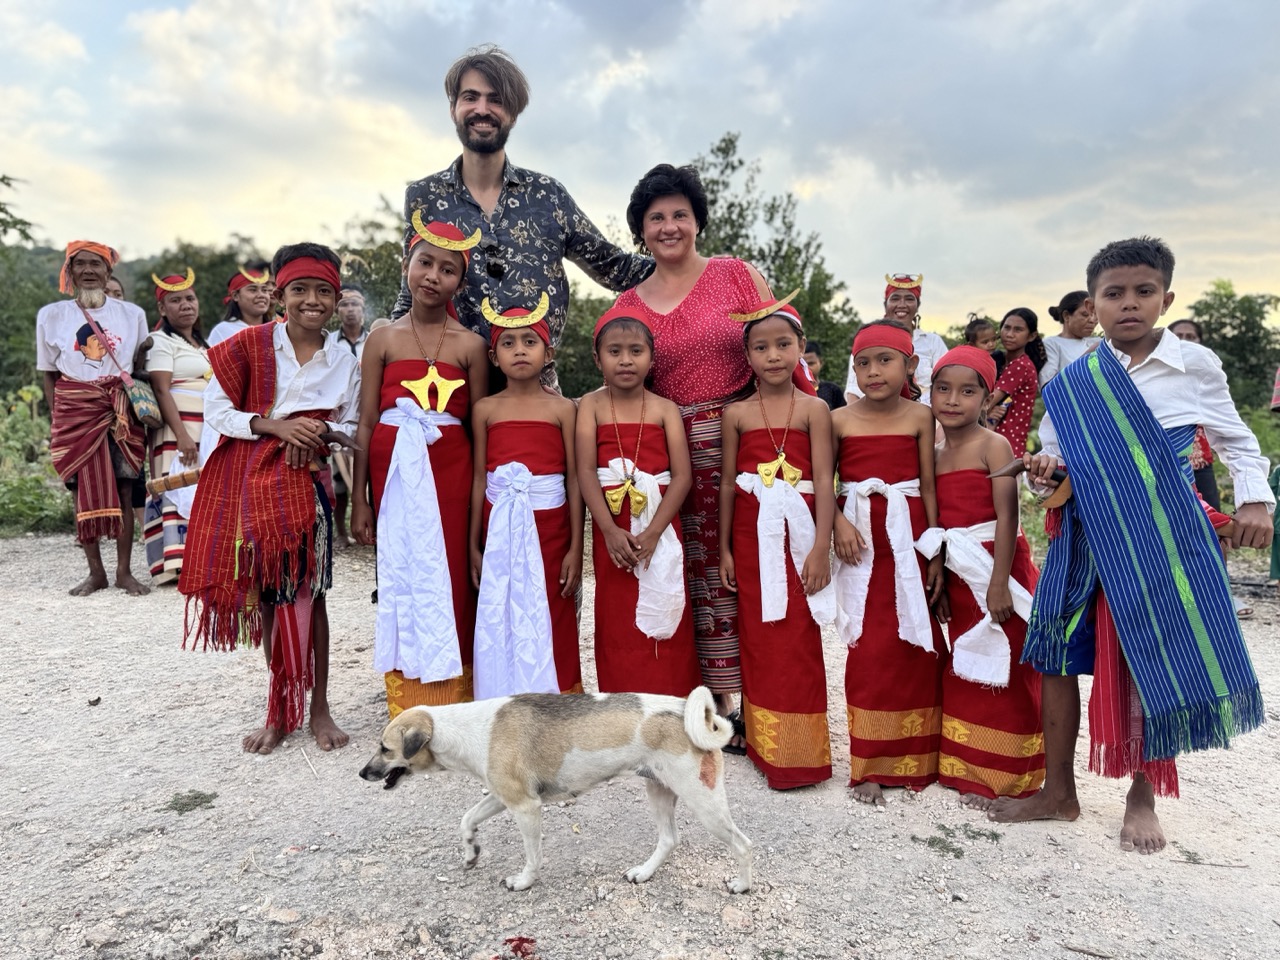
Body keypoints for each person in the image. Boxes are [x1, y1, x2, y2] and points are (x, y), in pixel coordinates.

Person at [989, 237, 1274, 854]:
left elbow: (1238, 442)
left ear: (1165, 298)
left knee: (1155, 651)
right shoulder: (1076, 377)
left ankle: (1142, 796)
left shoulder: (1195, 366)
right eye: (1113, 294)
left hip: (1159, 534)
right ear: (1092, 304)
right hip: (1087, 530)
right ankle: (1057, 791)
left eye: (1143, 292)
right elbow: (1059, 456)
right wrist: (1046, 471)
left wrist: (1255, 499)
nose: (1128, 304)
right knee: (1055, 651)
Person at [609, 163, 812, 746]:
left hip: (746, 445)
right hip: (668, 455)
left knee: (747, 564)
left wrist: (798, 428)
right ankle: (709, 704)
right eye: (656, 218)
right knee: (689, 572)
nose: (669, 226)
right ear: (640, 230)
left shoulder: (736, 275)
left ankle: (763, 705)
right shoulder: (628, 301)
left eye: (679, 214)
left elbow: (782, 349)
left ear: (697, 220)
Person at [180, 242, 360, 755]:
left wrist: (320, 432)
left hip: (309, 486)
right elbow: (218, 411)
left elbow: (349, 422)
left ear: (336, 296)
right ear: (280, 294)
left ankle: (319, 707)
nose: (311, 300)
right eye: (299, 289)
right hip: (252, 487)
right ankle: (280, 708)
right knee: (268, 595)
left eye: (323, 291)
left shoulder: (343, 358)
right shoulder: (247, 345)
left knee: (312, 595)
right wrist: (277, 427)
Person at [393, 44, 653, 387]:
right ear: (453, 107)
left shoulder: (547, 194)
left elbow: (616, 269)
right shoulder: (424, 196)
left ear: (513, 113)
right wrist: (385, 346)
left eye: (496, 100)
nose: (482, 109)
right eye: (471, 97)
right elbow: (410, 295)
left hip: (536, 393)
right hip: (446, 385)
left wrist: (700, 270)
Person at [351, 220, 489, 717]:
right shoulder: (382, 339)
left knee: (451, 573)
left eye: (448, 269)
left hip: (451, 473)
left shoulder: (470, 345)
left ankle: (455, 693)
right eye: (425, 262)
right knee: (403, 572)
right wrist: (360, 500)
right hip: (393, 477)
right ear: (407, 266)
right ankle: (410, 692)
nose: (433, 276)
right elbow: (367, 421)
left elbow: (478, 431)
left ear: (460, 281)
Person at [919, 346, 1044, 808]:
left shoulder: (994, 445)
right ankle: (965, 767)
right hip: (956, 567)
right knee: (967, 661)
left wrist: (996, 582)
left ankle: (1008, 773)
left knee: (1009, 661)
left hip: (997, 564)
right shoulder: (930, 453)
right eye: (944, 389)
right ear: (929, 393)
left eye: (968, 391)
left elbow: (1007, 517)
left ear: (987, 400)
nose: (953, 400)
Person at [719, 297, 835, 789]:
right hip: (749, 534)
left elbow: (827, 482)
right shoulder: (737, 413)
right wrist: (725, 548)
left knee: (797, 636)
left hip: (800, 535)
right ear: (747, 357)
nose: (773, 356)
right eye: (761, 347)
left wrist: (820, 548)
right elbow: (727, 483)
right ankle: (764, 742)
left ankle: (802, 750)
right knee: (758, 636)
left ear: (801, 349)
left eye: (783, 344)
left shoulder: (815, 409)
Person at [833, 321, 945, 804]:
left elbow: (930, 486)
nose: (873, 371)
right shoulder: (838, 419)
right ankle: (871, 763)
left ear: (911, 365)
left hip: (910, 536)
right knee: (870, 646)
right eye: (863, 362)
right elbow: (826, 481)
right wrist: (837, 525)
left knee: (914, 644)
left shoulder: (922, 417)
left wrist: (935, 549)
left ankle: (919, 757)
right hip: (860, 539)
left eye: (885, 360)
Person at [575, 306, 701, 695]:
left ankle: (671, 708)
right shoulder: (590, 406)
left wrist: (653, 532)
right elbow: (584, 472)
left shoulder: (665, 409)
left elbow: (682, 476)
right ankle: (620, 713)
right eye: (614, 351)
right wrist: (610, 531)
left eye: (636, 351)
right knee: (617, 619)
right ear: (598, 358)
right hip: (612, 528)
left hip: (659, 526)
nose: (626, 360)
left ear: (651, 357)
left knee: (666, 606)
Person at [469, 296, 583, 697]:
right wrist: (473, 545)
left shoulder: (564, 409)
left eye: (529, 342)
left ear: (548, 352)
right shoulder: (485, 409)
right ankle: (504, 698)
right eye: (508, 343)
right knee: (502, 608)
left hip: (550, 527)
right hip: (499, 528)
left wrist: (575, 548)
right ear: (493, 356)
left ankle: (560, 697)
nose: (519, 350)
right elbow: (480, 479)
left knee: (552, 608)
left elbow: (573, 480)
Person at [37, 240, 151, 596]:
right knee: (79, 490)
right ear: (69, 273)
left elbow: (141, 366)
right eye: (80, 264)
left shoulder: (132, 314)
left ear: (108, 272)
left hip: (119, 407)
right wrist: (58, 420)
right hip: (75, 409)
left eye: (95, 264)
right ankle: (95, 572)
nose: (88, 270)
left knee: (125, 486)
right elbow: (47, 374)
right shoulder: (51, 315)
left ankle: (123, 572)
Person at [143, 270, 210, 584]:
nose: (186, 305)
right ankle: (175, 562)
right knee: (177, 482)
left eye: (190, 298)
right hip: (177, 426)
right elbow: (161, 389)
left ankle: (201, 556)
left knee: (200, 486)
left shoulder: (200, 344)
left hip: (204, 426)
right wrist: (181, 434)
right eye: (176, 300)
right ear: (162, 309)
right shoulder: (160, 341)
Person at [844, 274, 948, 404]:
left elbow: (948, 384)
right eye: (895, 298)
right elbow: (853, 392)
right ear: (885, 304)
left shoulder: (933, 342)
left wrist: (938, 424)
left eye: (909, 299)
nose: (902, 305)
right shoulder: (867, 343)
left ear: (918, 305)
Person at [327, 284, 369, 548]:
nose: (350, 309)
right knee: (338, 480)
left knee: (371, 478)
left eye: (355, 304)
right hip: (339, 415)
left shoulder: (375, 338)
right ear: (337, 310)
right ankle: (341, 532)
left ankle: (369, 530)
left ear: (363, 309)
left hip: (368, 414)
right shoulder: (329, 341)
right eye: (344, 304)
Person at [987, 308, 1045, 455]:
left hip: (1004, 444)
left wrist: (985, 411)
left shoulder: (1021, 365)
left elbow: (988, 402)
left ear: (1031, 336)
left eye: (1018, 330)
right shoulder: (1000, 361)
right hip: (999, 440)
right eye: (1006, 327)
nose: (1009, 334)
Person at [206, 261, 273, 347]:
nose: (261, 295)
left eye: (264, 290)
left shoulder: (277, 329)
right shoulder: (222, 331)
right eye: (253, 290)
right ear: (235, 296)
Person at [1039, 291, 1097, 386]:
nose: (1092, 320)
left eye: (1095, 315)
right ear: (1066, 316)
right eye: (1085, 315)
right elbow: (1048, 385)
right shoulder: (1051, 344)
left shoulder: (1097, 342)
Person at [802, 340, 847, 410]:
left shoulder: (832, 390)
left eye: (811, 364)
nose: (807, 368)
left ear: (821, 362)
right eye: (802, 365)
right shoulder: (792, 392)